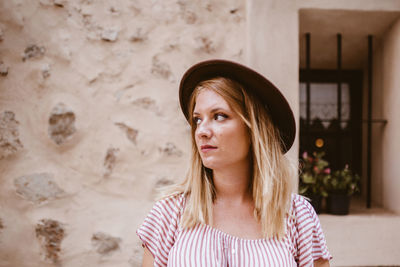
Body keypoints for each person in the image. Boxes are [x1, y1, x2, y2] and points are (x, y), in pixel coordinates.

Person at [137, 59, 332, 267]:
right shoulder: (170, 212)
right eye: (197, 119)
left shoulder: (297, 215)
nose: (201, 131)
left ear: (254, 128)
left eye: (219, 116)